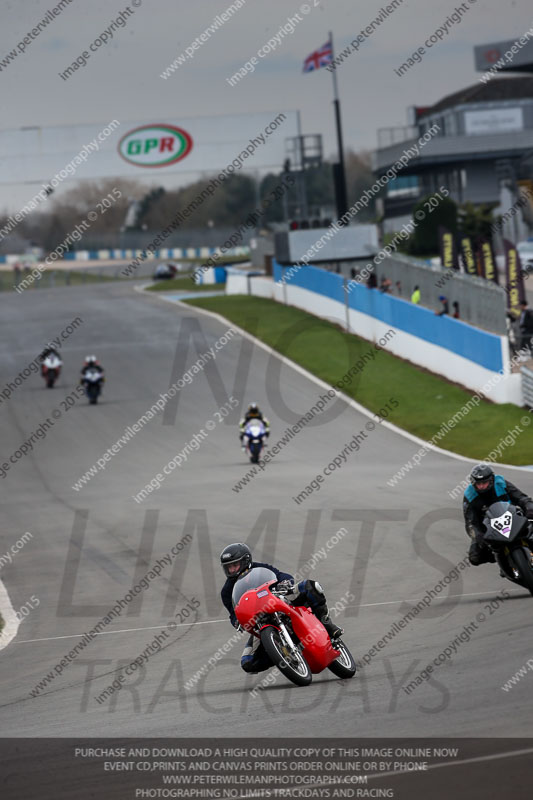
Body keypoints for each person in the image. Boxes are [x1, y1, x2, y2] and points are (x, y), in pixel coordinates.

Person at [220, 543, 343, 674]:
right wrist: (236, 622)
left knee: (311, 586)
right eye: (228, 567)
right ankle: (281, 654)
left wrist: (285, 583)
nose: (232, 570)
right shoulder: (227, 591)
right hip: (259, 619)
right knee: (248, 662)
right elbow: (233, 613)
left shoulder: (260, 568)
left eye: (235, 565)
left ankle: (327, 624)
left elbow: (281, 575)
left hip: (280, 601)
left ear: (245, 561)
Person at [463, 464, 533, 566]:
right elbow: (470, 522)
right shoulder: (469, 495)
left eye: (484, 483)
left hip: (512, 517)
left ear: (491, 480)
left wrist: (529, 507)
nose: (481, 486)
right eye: (478, 484)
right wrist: (478, 535)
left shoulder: (501, 483)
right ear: (473, 483)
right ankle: (501, 558)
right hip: (488, 528)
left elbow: (521, 497)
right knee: (474, 557)